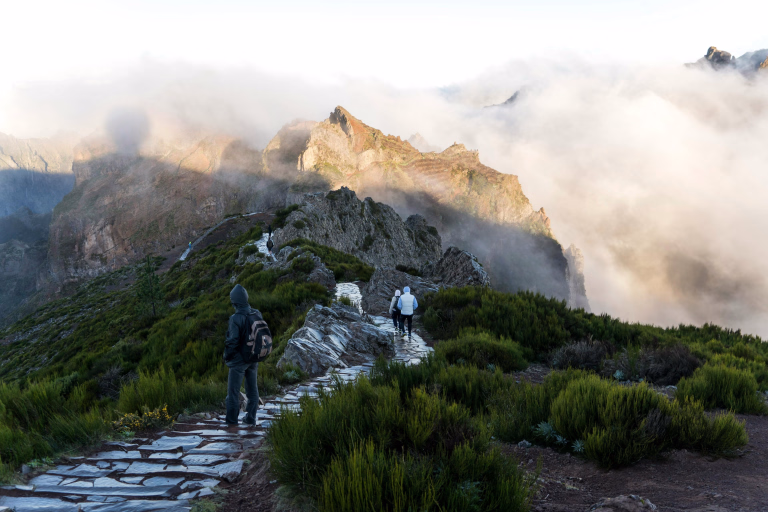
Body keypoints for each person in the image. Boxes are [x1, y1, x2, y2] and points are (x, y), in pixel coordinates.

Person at [224, 284, 265, 426]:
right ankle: (251, 418)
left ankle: (231, 423)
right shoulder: (256, 313)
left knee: (233, 393)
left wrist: (227, 357)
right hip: (254, 357)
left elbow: (232, 342)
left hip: (239, 361)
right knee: (252, 390)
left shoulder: (235, 318)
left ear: (234, 301)